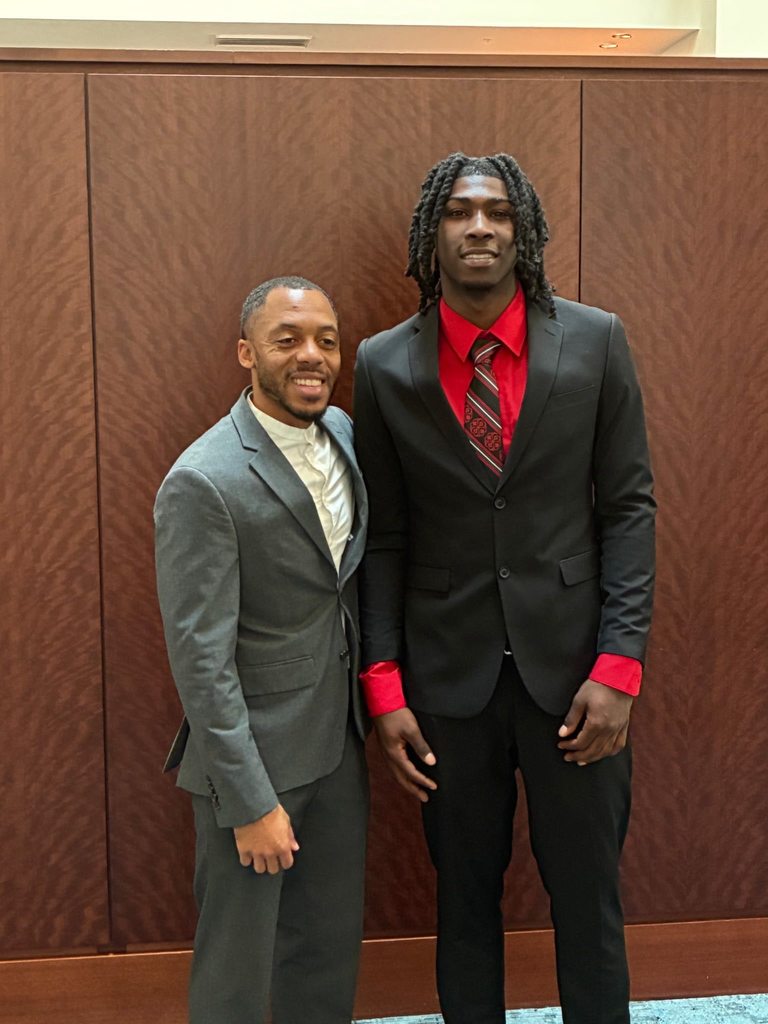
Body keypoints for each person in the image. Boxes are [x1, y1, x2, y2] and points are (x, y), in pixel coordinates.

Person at [353, 153, 655, 1024]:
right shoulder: (383, 365)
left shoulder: (596, 340)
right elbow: (386, 537)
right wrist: (383, 686)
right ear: (431, 233)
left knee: (588, 905)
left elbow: (629, 508)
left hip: (578, 682)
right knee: (463, 909)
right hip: (447, 686)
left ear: (523, 232)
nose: (479, 227)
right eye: (458, 212)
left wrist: (620, 667)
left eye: (497, 213)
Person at [155, 276, 369, 1024]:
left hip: (338, 742)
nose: (311, 355)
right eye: (288, 340)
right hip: (252, 763)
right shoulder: (202, 481)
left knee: (326, 947)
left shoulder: (342, 432)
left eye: (326, 340)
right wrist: (250, 803)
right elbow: (200, 661)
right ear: (247, 353)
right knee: (239, 967)